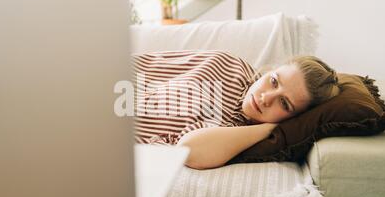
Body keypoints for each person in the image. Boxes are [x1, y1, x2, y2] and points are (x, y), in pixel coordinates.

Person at [133, 51, 340, 170]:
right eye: (274, 81)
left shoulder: (236, 130)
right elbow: (149, 63)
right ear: (270, 71)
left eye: (284, 104)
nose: (266, 98)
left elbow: (188, 149)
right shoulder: (229, 64)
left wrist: (270, 128)